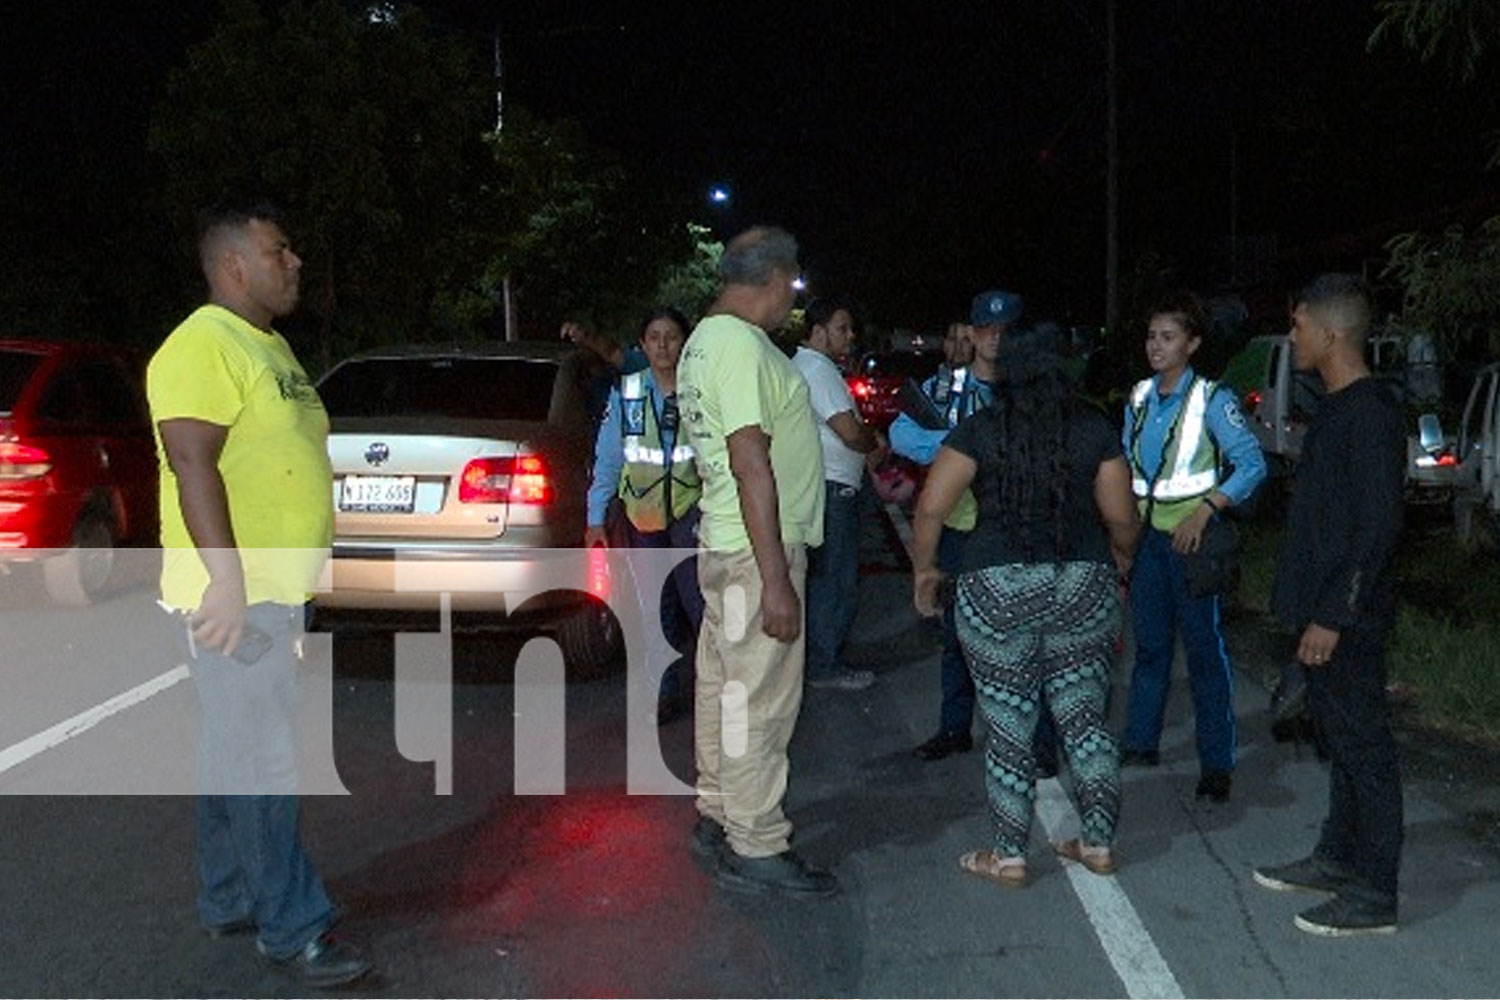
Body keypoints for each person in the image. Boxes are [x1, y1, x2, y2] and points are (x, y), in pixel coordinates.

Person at [146, 201, 371, 987]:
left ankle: (229, 894)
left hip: (274, 586)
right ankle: (292, 926)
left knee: (233, 748)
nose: (296, 261)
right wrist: (229, 583)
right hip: (237, 590)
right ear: (234, 264)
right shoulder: (202, 344)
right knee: (266, 759)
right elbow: (191, 463)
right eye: (280, 250)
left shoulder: (267, 347)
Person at [911, 336, 1139, 886]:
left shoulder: (982, 429)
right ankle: (1099, 844)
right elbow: (1122, 515)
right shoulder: (1092, 429)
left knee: (1010, 726)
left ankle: (1009, 855)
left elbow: (931, 507)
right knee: (1085, 719)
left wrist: (925, 571)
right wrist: (1121, 562)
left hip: (996, 588)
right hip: (1081, 583)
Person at [676, 225, 835, 897]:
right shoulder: (739, 347)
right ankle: (757, 843)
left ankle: (719, 812)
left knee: (722, 689)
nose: (789, 304)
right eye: (789, 289)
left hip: (728, 541)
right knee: (759, 701)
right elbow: (750, 463)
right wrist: (776, 580)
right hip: (753, 550)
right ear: (771, 280)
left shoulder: (703, 343)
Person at [1253, 273, 1405, 936]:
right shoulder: (1335, 408)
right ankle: (1339, 858)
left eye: (1299, 324)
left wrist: (1333, 617)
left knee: (1364, 746)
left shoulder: (1370, 414)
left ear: (1332, 330)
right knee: (1339, 741)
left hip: (1346, 617)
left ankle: (1374, 893)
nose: (1294, 337)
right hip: (1320, 611)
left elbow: (1376, 529)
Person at [1118, 291, 1266, 802]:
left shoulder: (1212, 399)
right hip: (1148, 543)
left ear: (1193, 343)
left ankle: (1216, 764)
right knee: (1151, 648)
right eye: (1151, 337)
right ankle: (1141, 741)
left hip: (1193, 544)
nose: (1155, 347)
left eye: (1168, 337)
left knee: (1205, 654)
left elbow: (1252, 464)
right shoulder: (1138, 397)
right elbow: (1126, 468)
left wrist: (1207, 510)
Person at [890, 289, 1020, 761]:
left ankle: (1027, 737)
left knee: (1023, 638)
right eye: (986, 330)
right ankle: (954, 728)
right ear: (972, 333)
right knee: (958, 636)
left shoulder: (1028, 386)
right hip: (961, 530)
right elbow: (900, 433)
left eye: (1005, 332)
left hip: (1018, 529)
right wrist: (959, 449)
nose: (994, 340)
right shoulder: (949, 387)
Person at [584, 307, 705, 725]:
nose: (663, 346)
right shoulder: (628, 392)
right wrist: (595, 519)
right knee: (656, 607)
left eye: (671, 337)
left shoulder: (701, 391)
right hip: (643, 516)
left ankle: (714, 692)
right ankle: (665, 692)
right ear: (642, 344)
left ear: (684, 343)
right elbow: (608, 459)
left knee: (700, 604)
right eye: (654, 337)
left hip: (692, 512)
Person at [791, 295, 888, 691]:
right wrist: (873, 444)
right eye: (842, 328)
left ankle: (820, 658)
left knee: (826, 577)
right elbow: (849, 431)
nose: (850, 336)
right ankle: (824, 664)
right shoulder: (817, 368)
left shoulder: (809, 367)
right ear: (817, 332)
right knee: (835, 578)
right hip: (832, 492)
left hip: (826, 488)